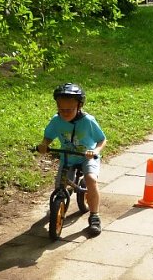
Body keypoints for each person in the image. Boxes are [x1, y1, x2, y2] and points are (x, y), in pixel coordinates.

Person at [36, 83, 107, 237]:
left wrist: (95, 151)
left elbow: (102, 140)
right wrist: (44, 144)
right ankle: (60, 205)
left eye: (69, 110)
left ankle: (94, 216)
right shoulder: (57, 120)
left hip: (87, 157)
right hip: (67, 157)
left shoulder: (88, 121)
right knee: (60, 186)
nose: (65, 113)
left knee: (90, 180)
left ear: (79, 106)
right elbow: (48, 136)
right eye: (61, 109)